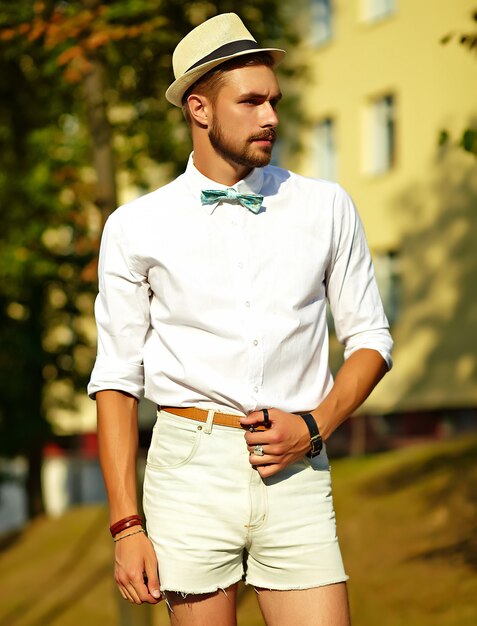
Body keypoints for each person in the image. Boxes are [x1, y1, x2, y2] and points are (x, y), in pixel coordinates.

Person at [88, 12, 393, 626]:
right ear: (200, 109)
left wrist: (315, 424)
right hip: (188, 470)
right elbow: (117, 380)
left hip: (297, 470)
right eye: (250, 101)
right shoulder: (135, 227)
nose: (271, 117)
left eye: (274, 100)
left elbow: (371, 339)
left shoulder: (325, 206)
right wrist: (126, 526)